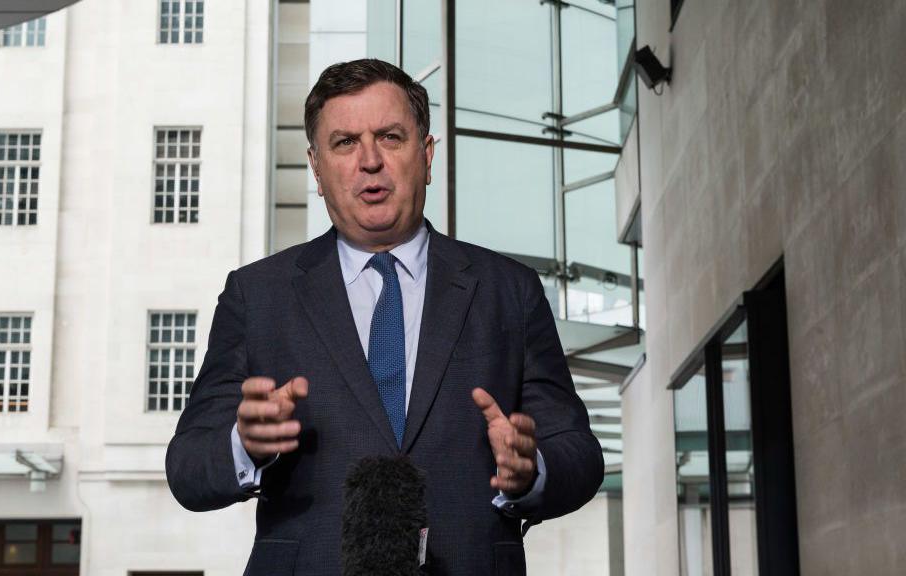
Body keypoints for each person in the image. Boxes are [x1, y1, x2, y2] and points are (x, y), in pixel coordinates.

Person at [165, 58, 603, 575]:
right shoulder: (256, 295)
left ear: (427, 155)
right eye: (345, 142)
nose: (369, 160)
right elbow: (188, 468)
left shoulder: (508, 290)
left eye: (390, 137)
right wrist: (246, 445)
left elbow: (579, 454)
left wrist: (532, 473)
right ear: (316, 167)